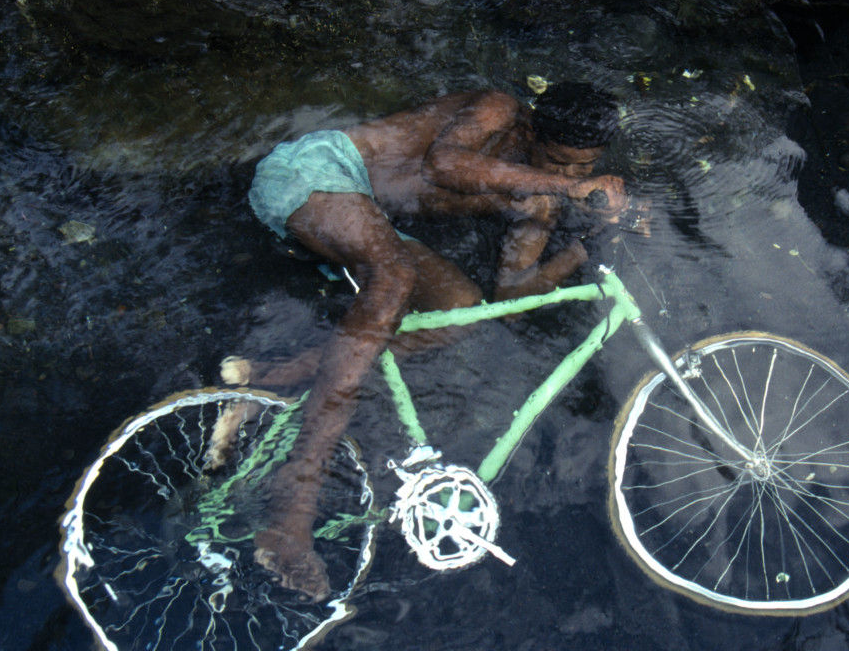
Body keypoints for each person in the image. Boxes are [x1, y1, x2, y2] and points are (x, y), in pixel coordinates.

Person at [229, 85, 631, 600]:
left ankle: (265, 379)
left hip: (366, 222)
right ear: (532, 128)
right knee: (393, 277)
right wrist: (567, 185)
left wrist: (587, 244)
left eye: (584, 167)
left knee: (459, 308)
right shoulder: (499, 110)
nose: (571, 174)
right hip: (316, 175)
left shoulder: (544, 195)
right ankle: (295, 502)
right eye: (559, 161)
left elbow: (513, 294)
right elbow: (445, 163)